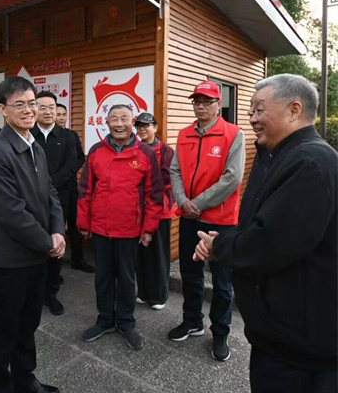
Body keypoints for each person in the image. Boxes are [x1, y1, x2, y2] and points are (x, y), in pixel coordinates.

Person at [194, 74, 337, 393]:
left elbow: (270, 242)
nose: (252, 118)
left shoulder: (310, 164)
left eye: (259, 110)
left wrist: (219, 246)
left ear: (294, 110)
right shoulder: (284, 154)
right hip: (282, 332)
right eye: (250, 110)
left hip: (301, 342)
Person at [0, 76, 66, 393]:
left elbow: (50, 194)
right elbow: (11, 213)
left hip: (36, 257)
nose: (29, 110)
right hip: (8, 262)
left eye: (32, 103)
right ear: (2, 109)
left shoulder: (35, 146)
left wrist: (57, 231)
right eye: (20, 104)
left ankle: (23, 380)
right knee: (2, 333)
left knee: (27, 326)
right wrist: (48, 243)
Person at [169, 80, 245, 362]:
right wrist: (182, 202)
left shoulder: (233, 134)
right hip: (189, 217)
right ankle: (192, 321)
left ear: (218, 104)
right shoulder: (184, 134)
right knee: (190, 273)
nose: (200, 106)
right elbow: (175, 171)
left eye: (207, 102)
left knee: (222, 281)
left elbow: (232, 178)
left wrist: (197, 204)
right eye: (197, 102)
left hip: (220, 220)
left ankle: (220, 332)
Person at [77, 104, 163, 350]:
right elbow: (85, 190)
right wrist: (83, 222)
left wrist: (148, 229)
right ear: (106, 123)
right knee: (103, 278)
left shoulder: (145, 153)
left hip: (129, 228)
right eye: (114, 119)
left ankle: (126, 322)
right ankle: (105, 320)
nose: (119, 124)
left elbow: (154, 194)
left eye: (124, 118)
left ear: (132, 122)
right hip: (100, 228)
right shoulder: (96, 151)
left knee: (126, 278)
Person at [30, 91, 79, 316]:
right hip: (31, 199)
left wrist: (47, 185)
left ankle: (51, 293)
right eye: (42, 107)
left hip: (59, 199)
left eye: (52, 107)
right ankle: (34, 291)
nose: (48, 111)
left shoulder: (67, 136)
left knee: (56, 243)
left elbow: (71, 166)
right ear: (34, 109)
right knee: (33, 243)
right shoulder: (28, 134)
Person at [134, 112, 174, 310]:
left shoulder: (166, 151)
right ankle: (143, 292)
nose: (142, 129)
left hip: (160, 209)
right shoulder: (135, 148)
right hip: (138, 209)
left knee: (158, 254)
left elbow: (166, 178)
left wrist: (143, 185)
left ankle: (158, 296)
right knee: (140, 253)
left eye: (146, 126)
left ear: (155, 128)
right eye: (139, 126)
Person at [55, 103, 94, 273]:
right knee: (56, 226)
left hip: (71, 187)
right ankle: (55, 267)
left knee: (74, 225)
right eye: (58, 114)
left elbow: (80, 157)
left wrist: (70, 170)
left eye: (64, 114)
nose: (61, 117)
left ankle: (78, 260)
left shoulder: (71, 135)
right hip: (53, 189)